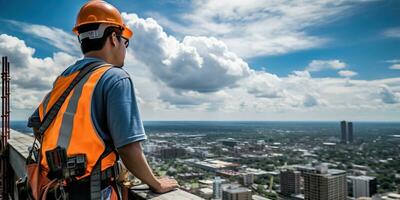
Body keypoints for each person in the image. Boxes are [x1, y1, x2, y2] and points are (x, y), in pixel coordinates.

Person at [27, 1, 177, 199]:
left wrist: (67, 157)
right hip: (93, 190)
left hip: (54, 188)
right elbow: (128, 148)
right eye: (125, 41)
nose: (125, 47)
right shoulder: (116, 77)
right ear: (114, 38)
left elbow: (37, 125)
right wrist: (155, 184)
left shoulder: (65, 77)